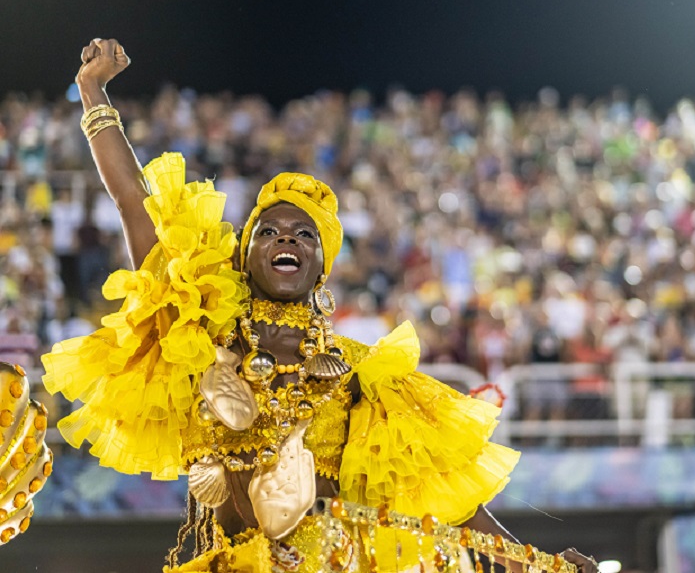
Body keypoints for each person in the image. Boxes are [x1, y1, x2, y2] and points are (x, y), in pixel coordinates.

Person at [42, 39, 598, 573]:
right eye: (270, 232)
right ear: (245, 254)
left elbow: (454, 506)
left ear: (322, 265)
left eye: (304, 235)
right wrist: (94, 93)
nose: (287, 241)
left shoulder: (366, 377)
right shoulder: (198, 333)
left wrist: (541, 564)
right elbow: (136, 206)